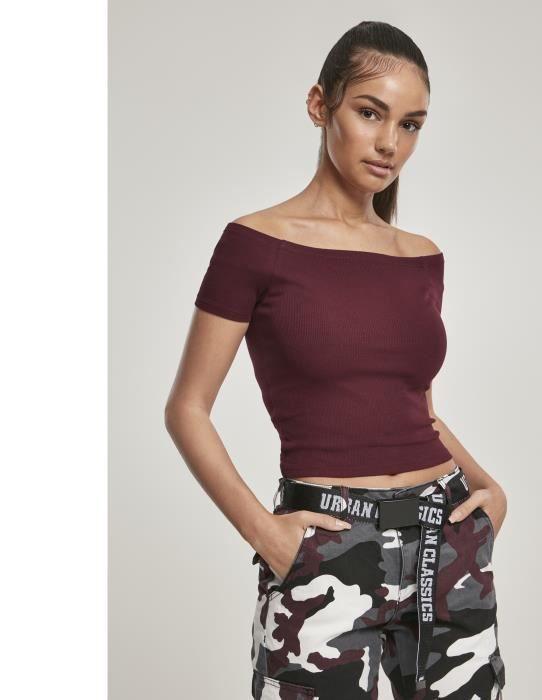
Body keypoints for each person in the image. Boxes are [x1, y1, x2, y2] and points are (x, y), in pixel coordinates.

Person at [165, 20, 507, 700]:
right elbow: (187, 409)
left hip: (448, 544)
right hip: (327, 549)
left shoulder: (420, 257)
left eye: (410, 125)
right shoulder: (255, 245)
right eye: (370, 113)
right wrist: (267, 535)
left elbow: (418, 410)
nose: (389, 143)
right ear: (320, 105)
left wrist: (489, 490)